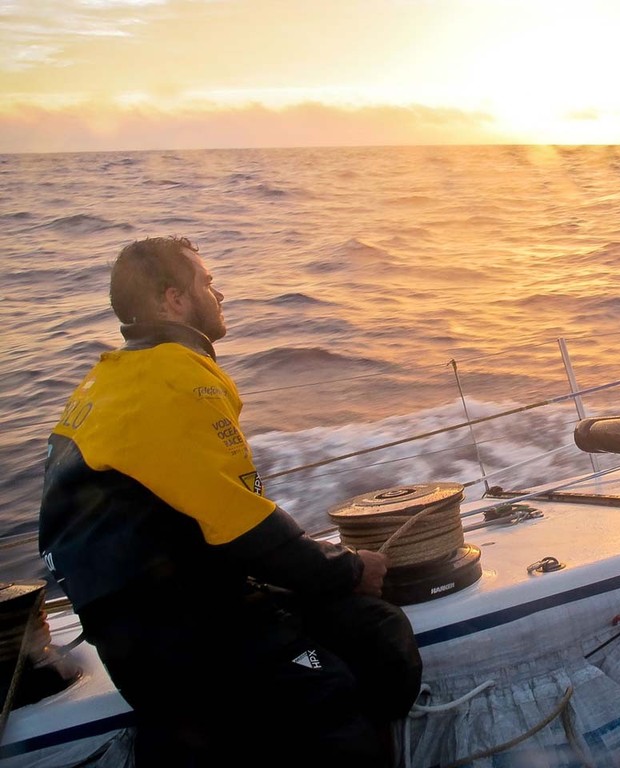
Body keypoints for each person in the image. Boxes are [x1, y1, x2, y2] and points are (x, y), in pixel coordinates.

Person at [38, 236, 422, 766]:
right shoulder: (177, 379)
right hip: (186, 637)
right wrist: (351, 568)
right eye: (208, 284)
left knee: (361, 631)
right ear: (174, 300)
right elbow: (242, 527)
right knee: (339, 682)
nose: (220, 295)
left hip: (133, 634)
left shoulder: (105, 382)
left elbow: (196, 516)